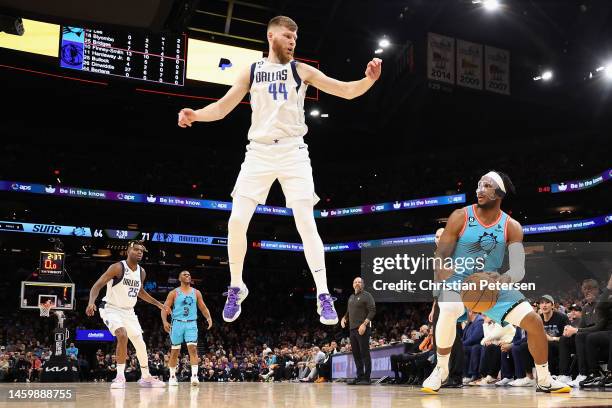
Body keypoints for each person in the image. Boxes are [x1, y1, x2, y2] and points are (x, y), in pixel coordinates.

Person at [177, 15, 382, 325]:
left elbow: (345, 91)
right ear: (271, 36)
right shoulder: (253, 70)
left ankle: (323, 293)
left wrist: (368, 80)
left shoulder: (301, 70)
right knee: (236, 221)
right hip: (258, 152)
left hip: (293, 151)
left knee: (306, 223)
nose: (292, 41)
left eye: (295, 38)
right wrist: (196, 115)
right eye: (288, 36)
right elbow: (221, 107)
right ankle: (236, 286)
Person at [422, 171, 570, 393]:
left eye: (487, 185)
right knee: (449, 307)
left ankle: (544, 378)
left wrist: (503, 279)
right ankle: (441, 369)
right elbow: (440, 255)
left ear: (499, 192)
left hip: (490, 283)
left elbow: (518, 268)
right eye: (479, 184)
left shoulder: (512, 226)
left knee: (534, 321)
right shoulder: (460, 216)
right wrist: (442, 269)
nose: (479, 189)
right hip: (458, 278)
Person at [86, 240, 168, 388]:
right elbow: (97, 285)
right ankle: (119, 377)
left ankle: (146, 377)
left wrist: (158, 304)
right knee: (122, 335)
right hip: (111, 308)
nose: (139, 253)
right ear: (128, 251)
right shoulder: (117, 267)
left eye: (141, 251)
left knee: (140, 344)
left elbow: (140, 292)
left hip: (129, 312)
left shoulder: (141, 272)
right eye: (136, 250)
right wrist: (91, 302)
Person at [162, 270, 213, 386]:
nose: (188, 276)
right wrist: (165, 321)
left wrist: (209, 318)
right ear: (179, 278)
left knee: (193, 350)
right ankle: (172, 377)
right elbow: (165, 308)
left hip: (191, 323)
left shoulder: (196, 292)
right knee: (175, 351)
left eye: (189, 274)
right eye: (185, 274)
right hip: (177, 323)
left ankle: (194, 376)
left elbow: (203, 307)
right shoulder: (174, 293)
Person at [341, 277, 376, 385]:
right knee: (356, 354)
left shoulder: (367, 295)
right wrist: (344, 318)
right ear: (353, 284)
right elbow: (348, 311)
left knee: (364, 353)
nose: (357, 284)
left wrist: (364, 324)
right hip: (352, 329)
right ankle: (360, 376)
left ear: (363, 284)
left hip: (362, 328)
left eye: (359, 282)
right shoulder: (351, 297)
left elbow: (372, 310)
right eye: (355, 282)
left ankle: (367, 378)